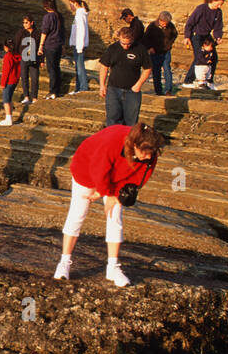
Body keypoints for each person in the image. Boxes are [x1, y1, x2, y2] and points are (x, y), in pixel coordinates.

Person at [53, 122, 165, 285]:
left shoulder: (150, 154)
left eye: (151, 153)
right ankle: (64, 263)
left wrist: (114, 194)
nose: (148, 157)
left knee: (115, 214)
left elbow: (136, 182)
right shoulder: (112, 143)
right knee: (78, 213)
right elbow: (98, 170)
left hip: (115, 177)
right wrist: (104, 191)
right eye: (145, 153)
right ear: (134, 145)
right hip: (86, 168)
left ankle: (113, 267)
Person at [98, 26, 152, 126]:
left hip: (132, 91)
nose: (126, 46)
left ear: (133, 39)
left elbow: (147, 69)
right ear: (119, 38)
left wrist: (139, 85)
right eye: (123, 43)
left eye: (129, 44)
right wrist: (102, 85)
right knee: (112, 119)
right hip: (113, 89)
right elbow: (104, 67)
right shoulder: (112, 48)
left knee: (131, 121)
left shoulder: (140, 49)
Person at [184, 0, 225, 84]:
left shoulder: (218, 12)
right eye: (219, 4)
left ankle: (209, 80)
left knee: (214, 57)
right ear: (214, 1)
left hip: (207, 36)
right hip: (196, 35)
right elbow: (190, 23)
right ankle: (188, 81)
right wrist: (187, 36)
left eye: (221, 5)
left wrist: (218, 37)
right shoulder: (201, 8)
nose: (219, 7)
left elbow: (218, 27)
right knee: (199, 57)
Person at [143, 10, 178, 95]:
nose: (165, 25)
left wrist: (169, 45)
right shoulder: (152, 26)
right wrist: (150, 48)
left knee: (167, 69)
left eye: (167, 23)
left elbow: (174, 35)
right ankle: (158, 91)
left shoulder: (171, 26)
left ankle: (168, 90)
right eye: (164, 23)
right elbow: (146, 38)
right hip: (155, 52)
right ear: (160, 20)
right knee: (156, 71)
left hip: (166, 51)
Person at [40, 0, 66, 99]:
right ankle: (57, 90)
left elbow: (45, 31)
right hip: (58, 45)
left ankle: (52, 91)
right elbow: (62, 32)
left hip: (50, 45)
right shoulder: (59, 16)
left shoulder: (48, 17)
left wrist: (41, 45)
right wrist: (63, 45)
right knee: (57, 67)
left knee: (51, 69)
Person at [13, 15, 41, 104]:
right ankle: (26, 96)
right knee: (24, 77)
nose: (24, 24)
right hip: (23, 57)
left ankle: (34, 97)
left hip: (34, 58)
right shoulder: (21, 33)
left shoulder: (37, 33)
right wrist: (15, 56)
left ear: (31, 22)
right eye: (23, 23)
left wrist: (42, 60)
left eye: (26, 22)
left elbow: (41, 47)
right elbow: (16, 44)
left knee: (34, 78)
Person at [68, 0, 90, 93]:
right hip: (76, 44)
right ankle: (78, 87)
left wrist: (79, 46)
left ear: (75, 3)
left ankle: (83, 87)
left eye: (71, 4)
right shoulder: (78, 14)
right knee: (77, 66)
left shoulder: (80, 14)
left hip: (79, 45)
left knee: (80, 66)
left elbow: (81, 31)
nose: (70, 7)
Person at [0, 32, 21, 126]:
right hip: (15, 80)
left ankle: (8, 118)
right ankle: (9, 117)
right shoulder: (17, 56)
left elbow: (6, 71)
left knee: (6, 100)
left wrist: (3, 83)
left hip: (8, 81)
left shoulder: (8, 56)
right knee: (9, 99)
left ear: (6, 47)